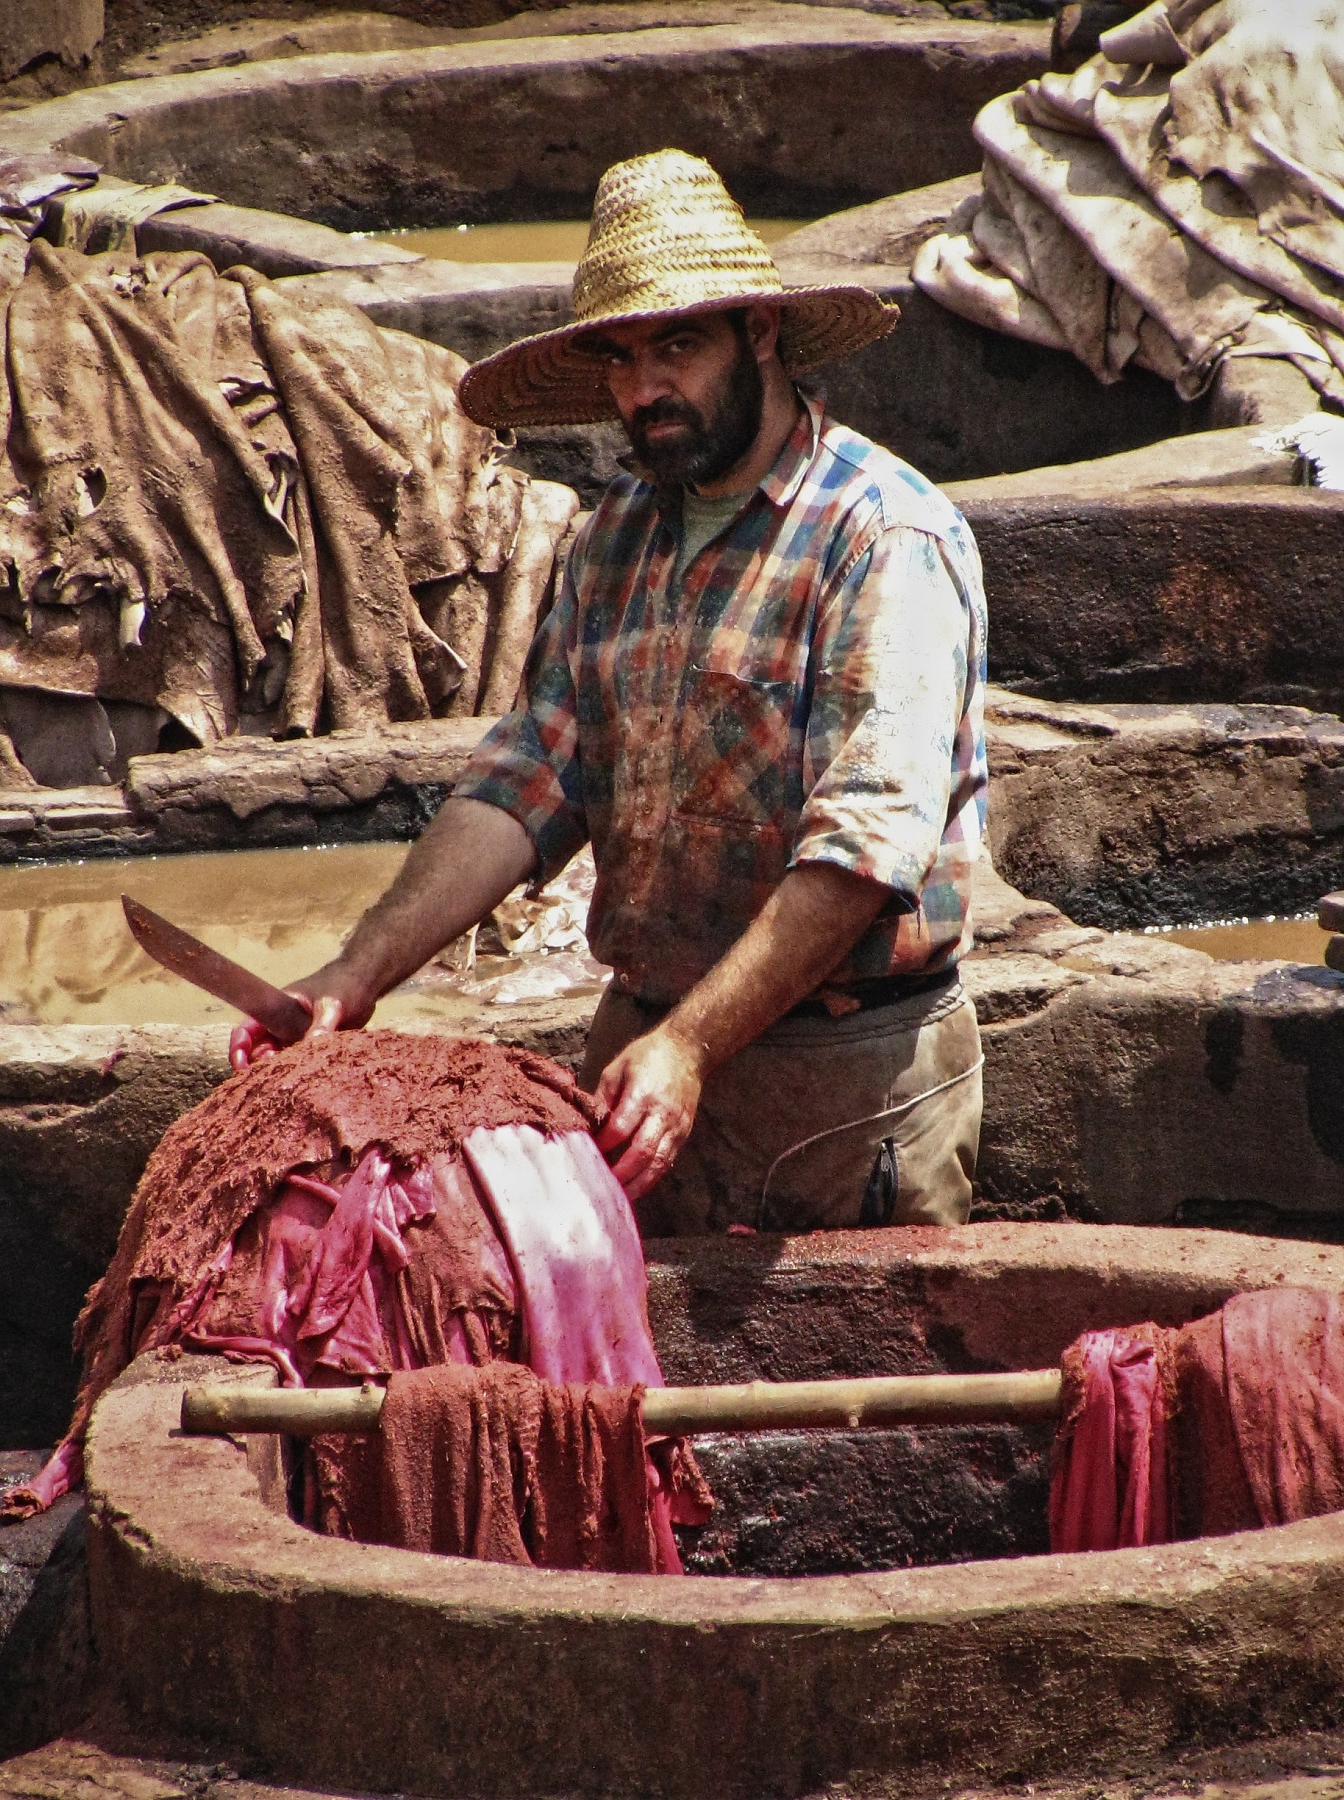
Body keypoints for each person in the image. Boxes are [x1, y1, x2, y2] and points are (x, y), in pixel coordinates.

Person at [237, 149, 990, 1236]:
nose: (643, 390)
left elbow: (867, 850)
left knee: (842, 1394)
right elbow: (531, 778)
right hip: (640, 1058)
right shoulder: (614, 540)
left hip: (843, 1080)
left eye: (676, 346)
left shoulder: (881, 537)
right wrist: (354, 977)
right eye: (621, 358)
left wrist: (690, 1046)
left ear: (761, 334)